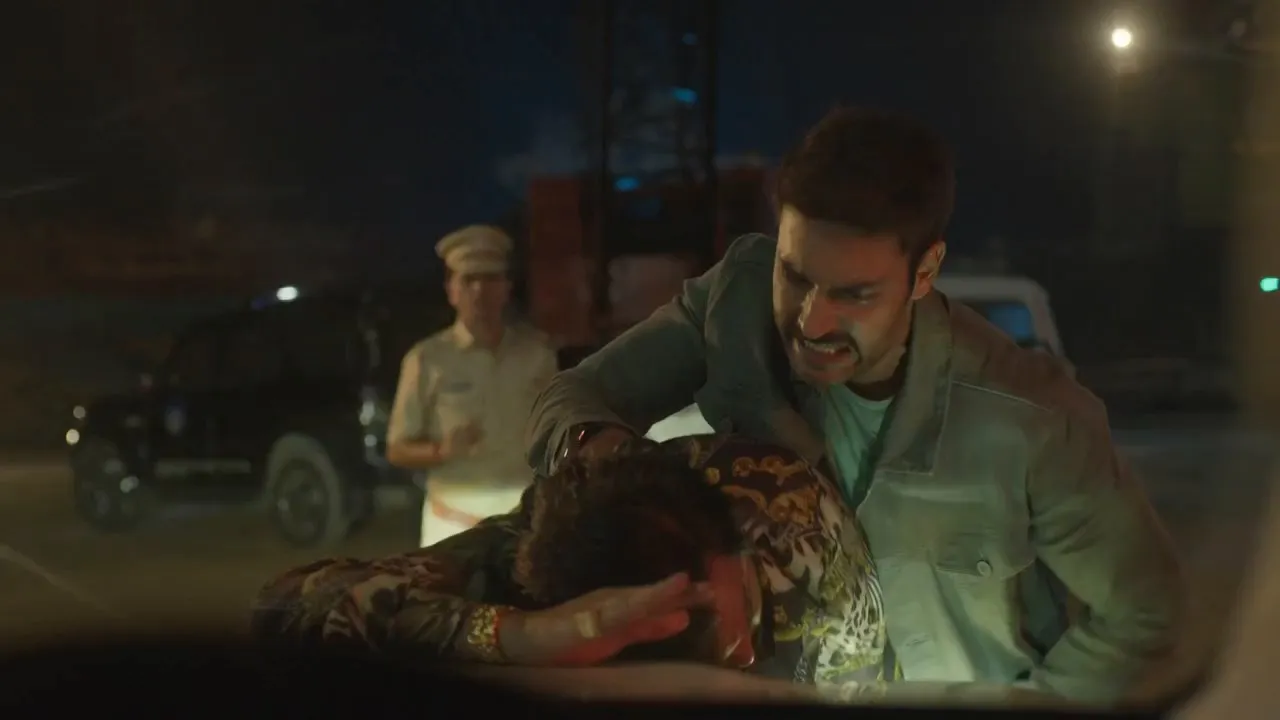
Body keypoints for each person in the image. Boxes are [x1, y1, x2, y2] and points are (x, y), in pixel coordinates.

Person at [523, 107, 1184, 703]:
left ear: (925, 272)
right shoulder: (735, 305)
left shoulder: (1034, 420)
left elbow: (1144, 613)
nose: (811, 322)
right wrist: (618, 472)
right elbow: (571, 398)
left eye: (855, 295)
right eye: (795, 275)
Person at [250, 436, 897, 690]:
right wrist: (522, 636)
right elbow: (287, 603)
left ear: (735, 549)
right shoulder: (534, 559)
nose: (745, 656)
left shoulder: (794, 529)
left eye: (744, 617)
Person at [386, 224, 557, 547]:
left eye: (491, 278)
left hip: (526, 528)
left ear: (506, 287)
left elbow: (556, 430)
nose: (480, 290)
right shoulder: (427, 360)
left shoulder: (538, 354)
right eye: (468, 280)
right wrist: (441, 451)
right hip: (455, 529)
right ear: (451, 290)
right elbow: (397, 449)